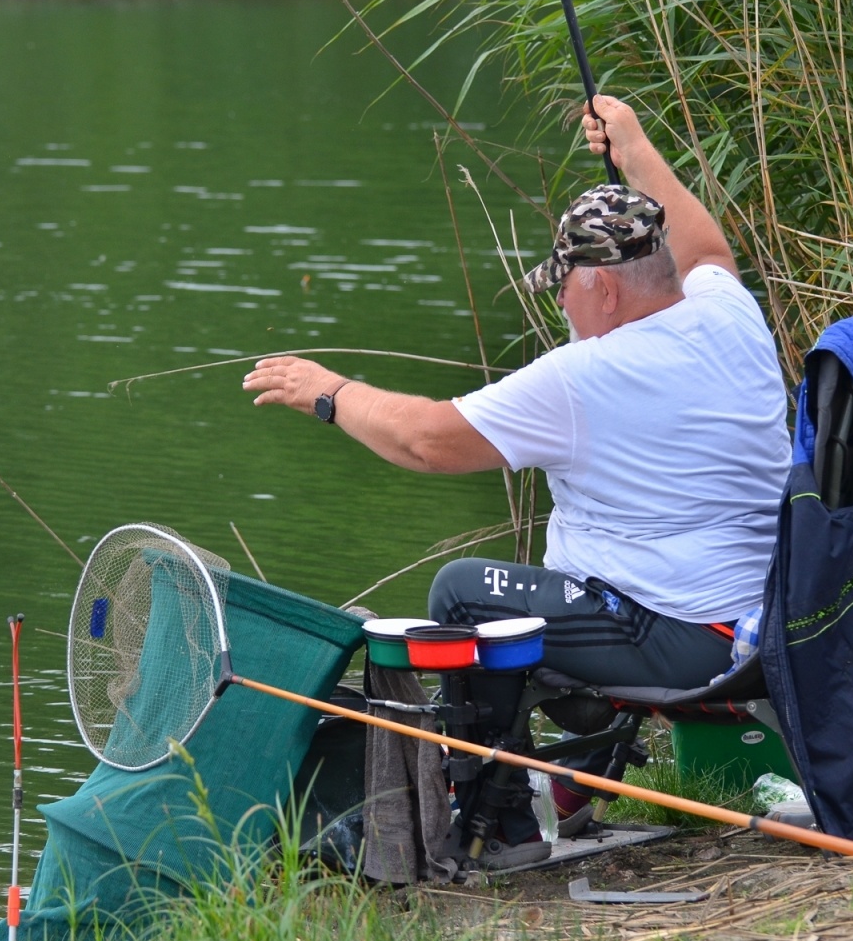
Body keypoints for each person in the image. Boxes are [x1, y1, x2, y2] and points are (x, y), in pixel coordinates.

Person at [242, 95, 792, 854]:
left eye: (563, 287)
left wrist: (330, 392)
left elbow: (427, 441)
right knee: (569, 574)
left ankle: (494, 818)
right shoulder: (726, 313)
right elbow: (707, 252)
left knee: (463, 592)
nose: (560, 304)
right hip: (766, 620)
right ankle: (574, 787)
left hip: (685, 639)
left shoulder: (586, 376)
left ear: (602, 288)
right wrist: (631, 146)